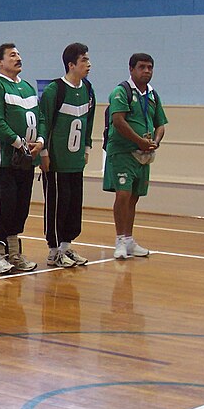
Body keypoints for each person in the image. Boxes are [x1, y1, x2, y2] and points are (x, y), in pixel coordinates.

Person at [0, 43, 45, 274]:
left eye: (19, 54)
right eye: (12, 55)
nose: (18, 58)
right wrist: (18, 143)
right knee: (2, 208)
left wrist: (40, 142)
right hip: (2, 161)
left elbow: (41, 118)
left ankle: (14, 253)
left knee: (20, 208)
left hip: (25, 161)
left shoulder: (27, 88)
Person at [103, 53, 167, 259]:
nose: (146, 71)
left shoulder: (153, 95)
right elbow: (118, 121)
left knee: (134, 196)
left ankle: (129, 240)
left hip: (143, 154)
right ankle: (120, 240)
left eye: (150, 67)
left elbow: (160, 124)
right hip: (123, 152)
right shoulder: (121, 91)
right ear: (131, 69)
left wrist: (155, 142)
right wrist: (139, 140)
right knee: (123, 194)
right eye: (142, 67)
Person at [39, 43, 96, 268]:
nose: (88, 64)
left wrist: (87, 148)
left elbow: (89, 122)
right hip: (56, 161)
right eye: (83, 60)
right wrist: (44, 153)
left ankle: (65, 246)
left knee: (73, 205)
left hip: (75, 161)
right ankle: (53, 251)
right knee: (57, 205)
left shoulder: (88, 89)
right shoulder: (55, 90)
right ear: (71, 64)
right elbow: (44, 121)